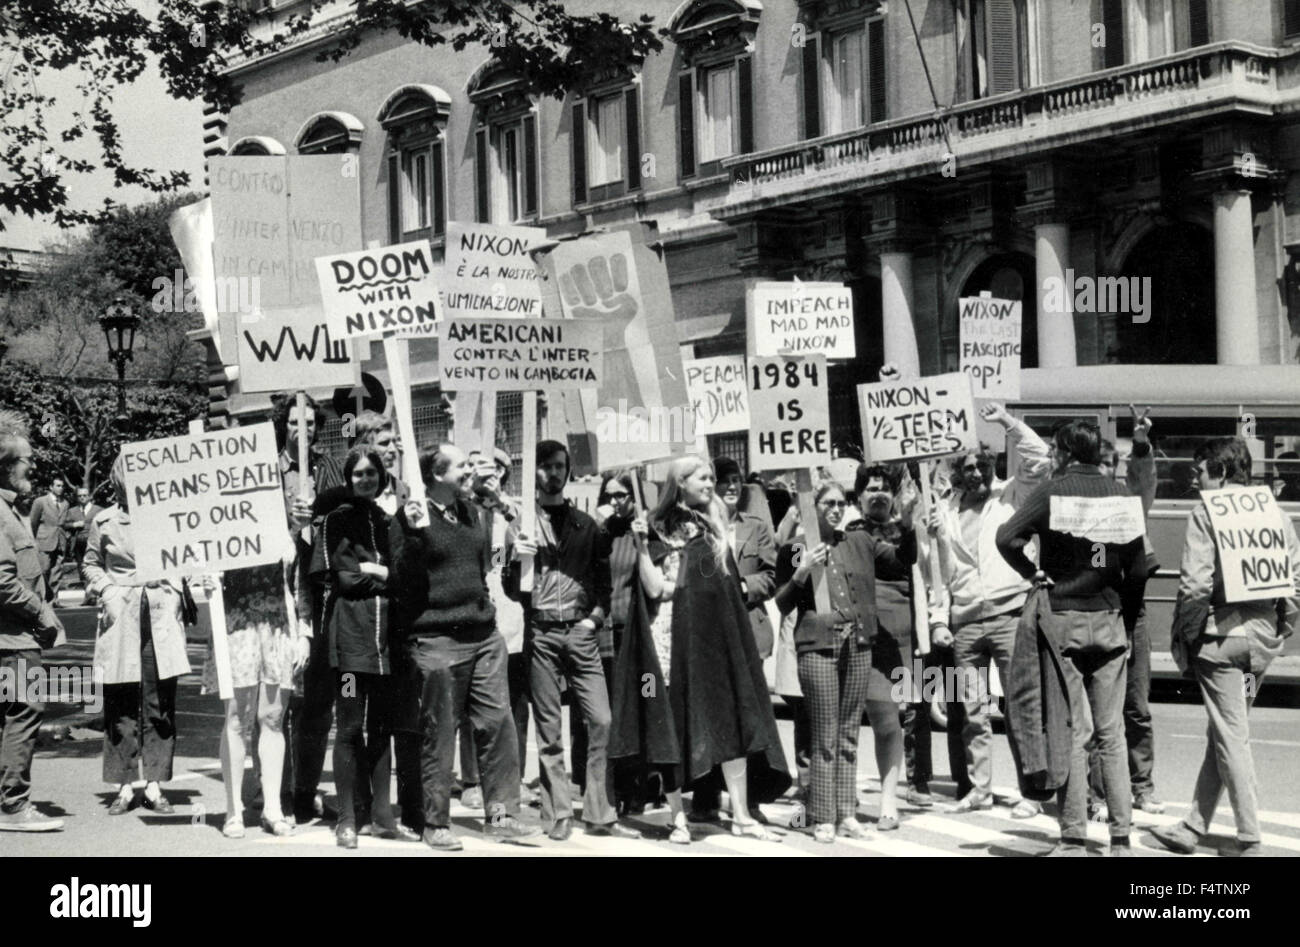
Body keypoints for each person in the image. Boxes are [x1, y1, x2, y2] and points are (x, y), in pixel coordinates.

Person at [610, 454, 791, 844]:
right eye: (703, 478)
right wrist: (642, 546)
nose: (711, 484)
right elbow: (656, 588)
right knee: (668, 725)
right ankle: (677, 817)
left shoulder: (714, 525)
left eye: (711, 477)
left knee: (729, 719)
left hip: (711, 639)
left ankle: (741, 814)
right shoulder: (656, 527)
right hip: (668, 639)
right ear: (681, 482)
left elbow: (724, 586)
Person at [996, 419, 1149, 857]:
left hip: (1062, 617)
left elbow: (1006, 537)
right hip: (1110, 618)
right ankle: (1121, 841)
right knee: (1112, 733)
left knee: (1074, 732)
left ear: (1063, 453)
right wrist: (1124, 609)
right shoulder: (1121, 495)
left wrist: (1033, 573)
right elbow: (1137, 569)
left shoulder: (1050, 492)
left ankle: (1073, 838)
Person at [1151, 438, 1300, 857]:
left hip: (1220, 640)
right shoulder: (1274, 512)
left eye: (1199, 472)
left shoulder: (1206, 512)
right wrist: (1281, 628)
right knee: (1226, 732)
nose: (1196, 482)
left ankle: (1249, 837)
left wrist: (1187, 634)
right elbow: (1295, 581)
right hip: (1260, 641)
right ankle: (1193, 827)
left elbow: (1195, 585)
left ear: (1219, 472)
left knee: (1232, 736)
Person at [390, 443, 540, 851]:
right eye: (462, 466)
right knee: (440, 734)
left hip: (483, 636)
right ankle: (435, 822)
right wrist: (415, 534)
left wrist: (506, 519)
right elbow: (399, 577)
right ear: (437, 474)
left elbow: (493, 556)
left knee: (497, 724)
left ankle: (503, 814)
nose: (470, 471)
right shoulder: (409, 518)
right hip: (437, 640)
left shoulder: (474, 511)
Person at [508, 440, 637, 841]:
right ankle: (558, 812)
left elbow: (603, 583)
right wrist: (515, 558)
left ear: (568, 471)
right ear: (535, 472)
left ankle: (599, 809)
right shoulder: (522, 525)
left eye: (560, 465)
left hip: (579, 631)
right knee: (550, 729)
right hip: (542, 630)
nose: (554, 472)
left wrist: (595, 620)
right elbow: (511, 588)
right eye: (545, 466)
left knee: (601, 719)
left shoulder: (586, 525)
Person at [776, 481, 917, 841]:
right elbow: (782, 601)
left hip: (858, 643)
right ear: (814, 506)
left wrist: (909, 523)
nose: (836, 509)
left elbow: (902, 562)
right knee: (824, 733)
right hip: (818, 644)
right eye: (828, 503)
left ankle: (846, 814)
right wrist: (801, 570)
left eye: (841, 503)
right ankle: (823, 815)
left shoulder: (860, 540)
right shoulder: (796, 547)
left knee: (850, 733)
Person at [932, 402, 1050, 818]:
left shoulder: (1012, 494)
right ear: (958, 473)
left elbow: (1040, 459)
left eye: (982, 466)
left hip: (1009, 614)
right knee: (972, 712)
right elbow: (939, 570)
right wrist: (937, 618)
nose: (976, 473)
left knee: (1020, 705)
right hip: (965, 621)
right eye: (968, 468)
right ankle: (980, 789)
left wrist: (1006, 422)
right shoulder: (945, 512)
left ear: (991, 465)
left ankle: (1031, 793)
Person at [310, 448, 419, 848]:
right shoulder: (338, 521)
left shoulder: (388, 521)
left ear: (382, 476)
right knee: (351, 728)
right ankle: (347, 819)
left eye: (372, 473)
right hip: (352, 649)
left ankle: (382, 816)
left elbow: (404, 576)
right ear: (348, 478)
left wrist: (376, 571)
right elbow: (346, 582)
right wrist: (382, 575)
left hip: (385, 647)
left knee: (382, 730)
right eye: (358, 474)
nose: (366, 480)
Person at [83, 455, 191, 816]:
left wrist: (175, 592)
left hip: (158, 614)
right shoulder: (103, 521)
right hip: (122, 614)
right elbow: (90, 564)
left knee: (159, 701)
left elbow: (181, 559)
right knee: (121, 701)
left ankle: (156, 783)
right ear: (117, 481)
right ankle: (126, 785)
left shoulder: (166, 516)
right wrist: (107, 591)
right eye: (128, 475)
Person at [853, 462, 953, 812]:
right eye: (870, 488)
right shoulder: (849, 529)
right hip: (866, 634)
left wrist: (934, 535)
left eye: (883, 488)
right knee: (872, 714)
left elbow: (936, 573)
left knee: (914, 709)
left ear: (893, 495)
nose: (877, 494)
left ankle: (918, 779)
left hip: (908, 629)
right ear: (859, 496)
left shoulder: (911, 528)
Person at [688, 456, 778, 823]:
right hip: (707, 634)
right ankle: (706, 797)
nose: (730, 486)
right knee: (710, 713)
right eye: (723, 479)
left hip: (747, 631)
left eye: (736, 480)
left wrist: (740, 586)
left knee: (749, 716)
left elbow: (771, 575)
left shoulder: (755, 527)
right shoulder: (698, 527)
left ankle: (750, 801)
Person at [1088, 411, 1165, 820]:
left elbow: (1144, 480)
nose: (1107, 473)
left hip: (1132, 613)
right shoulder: (1081, 512)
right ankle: (1098, 794)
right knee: (1102, 712)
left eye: (1111, 466)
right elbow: (1095, 563)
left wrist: (1139, 444)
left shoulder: (1130, 502)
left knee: (1136, 706)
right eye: (1100, 465)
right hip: (1102, 612)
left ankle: (1143, 787)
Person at [273, 391, 345, 824]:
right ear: (284, 424)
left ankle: (305, 790)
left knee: (320, 698)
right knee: (280, 698)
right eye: (297, 421)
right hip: (280, 594)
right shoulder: (264, 470)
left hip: (321, 594)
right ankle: (277, 788)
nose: (306, 429)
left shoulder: (330, 467)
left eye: (313, 423)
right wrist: (289, 522)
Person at [0, 418, 66, 832]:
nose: (32, 469)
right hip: (13, 637)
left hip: (12, 634)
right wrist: (40, 612)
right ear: (5, 465)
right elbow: (2, 581)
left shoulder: (10, 510)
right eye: (26, 461)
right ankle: (13, 806)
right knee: (23, 713)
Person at [29, 478, 68, 597]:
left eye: (62, 486)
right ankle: (41, 598)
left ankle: (54, 599)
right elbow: (32, 522)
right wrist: (34, 541)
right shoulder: (40, 501)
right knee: (43, 570)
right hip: (44, 541)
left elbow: (62, 523)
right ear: (51, 487)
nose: (60, 488)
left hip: (60, 542)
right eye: (57, 485)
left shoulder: (65, 503)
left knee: (57, 571)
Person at [60, 487, 101, 594]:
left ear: (89, 496)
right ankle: (87, 592)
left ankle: (97, 593)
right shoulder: (72, 511)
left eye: (84, 495)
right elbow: (64, 525)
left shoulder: (98, 510)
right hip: (78, 544)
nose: (82, 498)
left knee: (96, 566)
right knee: (82, 567)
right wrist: (74, 525)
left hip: (95, 544)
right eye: (79, 496)